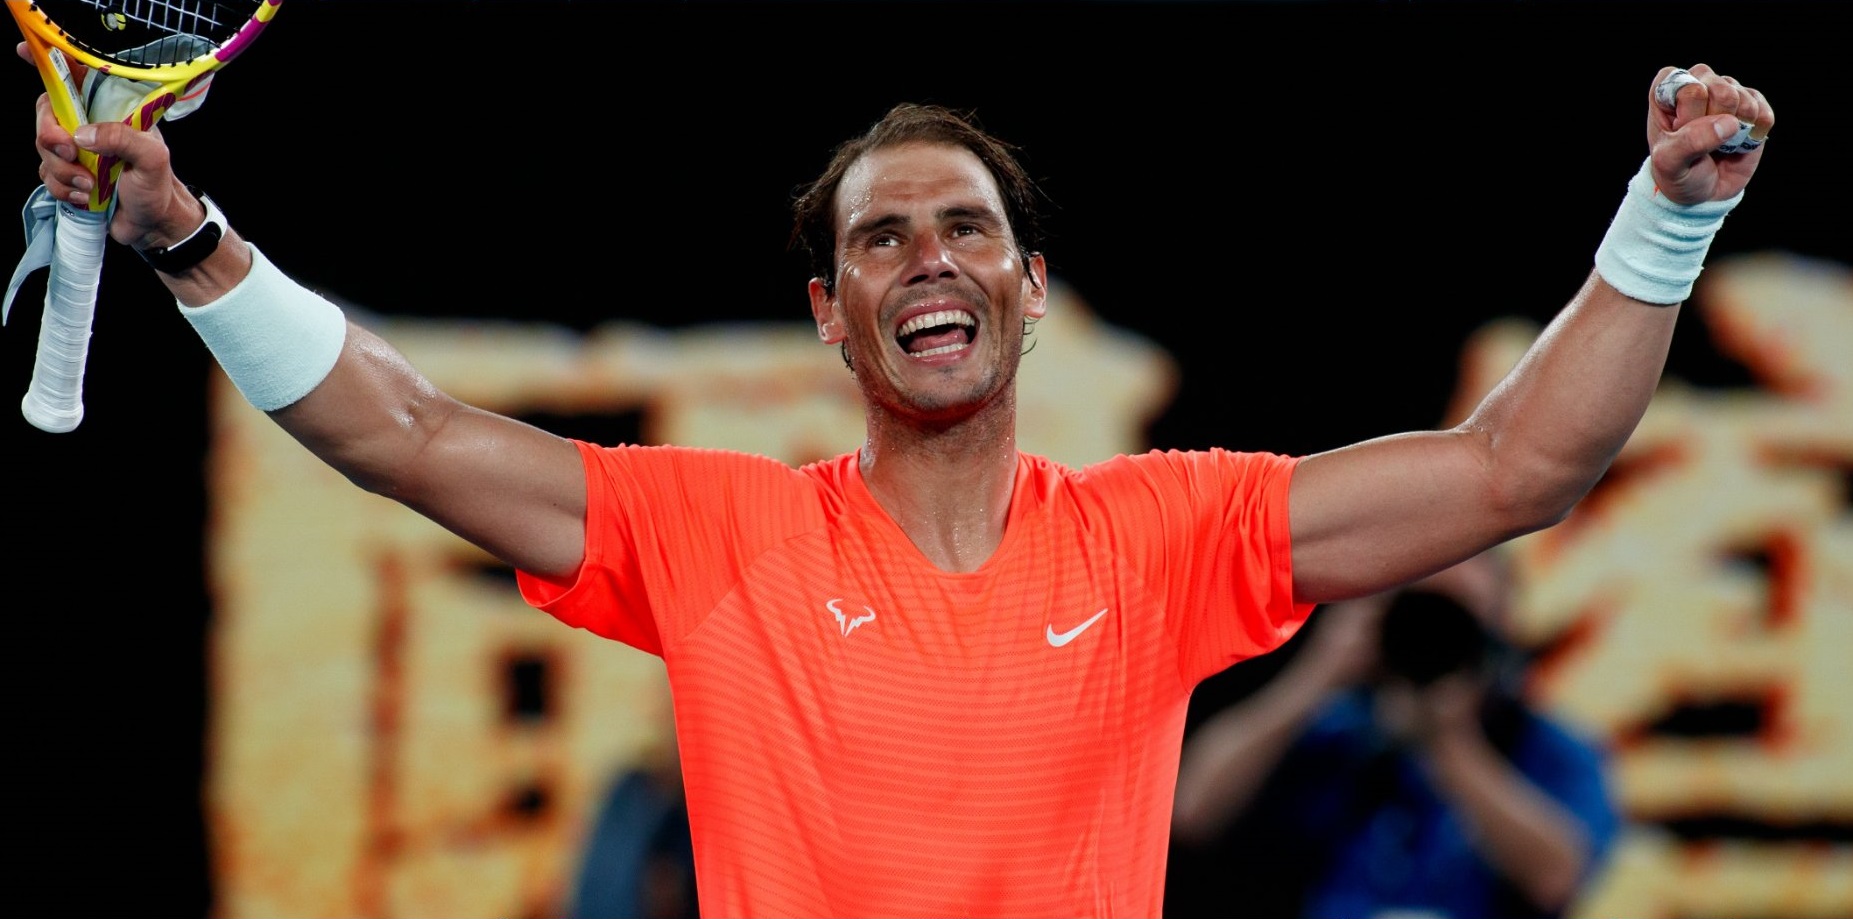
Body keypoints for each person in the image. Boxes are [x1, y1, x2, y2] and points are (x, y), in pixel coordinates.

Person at [18, 40, 1772, 916]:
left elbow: (1517, 465)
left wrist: (1667, 214)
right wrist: (187, 236)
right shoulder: (717, 534)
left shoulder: (1166, 532)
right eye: (880, 238)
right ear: (831, 310)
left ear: (1023, 289)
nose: (925, 256)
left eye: (964, 228)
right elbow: (400, 433)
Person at [1170, 550, 1621, 919]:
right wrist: (1316, 675)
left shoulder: (1554, 751)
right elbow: (1193, 810)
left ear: (1498, 637)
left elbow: (1558, 877)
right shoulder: (1338, 731)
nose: (1434, 637)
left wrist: (1448, 743)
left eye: (1456, 621)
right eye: (1420, 610)